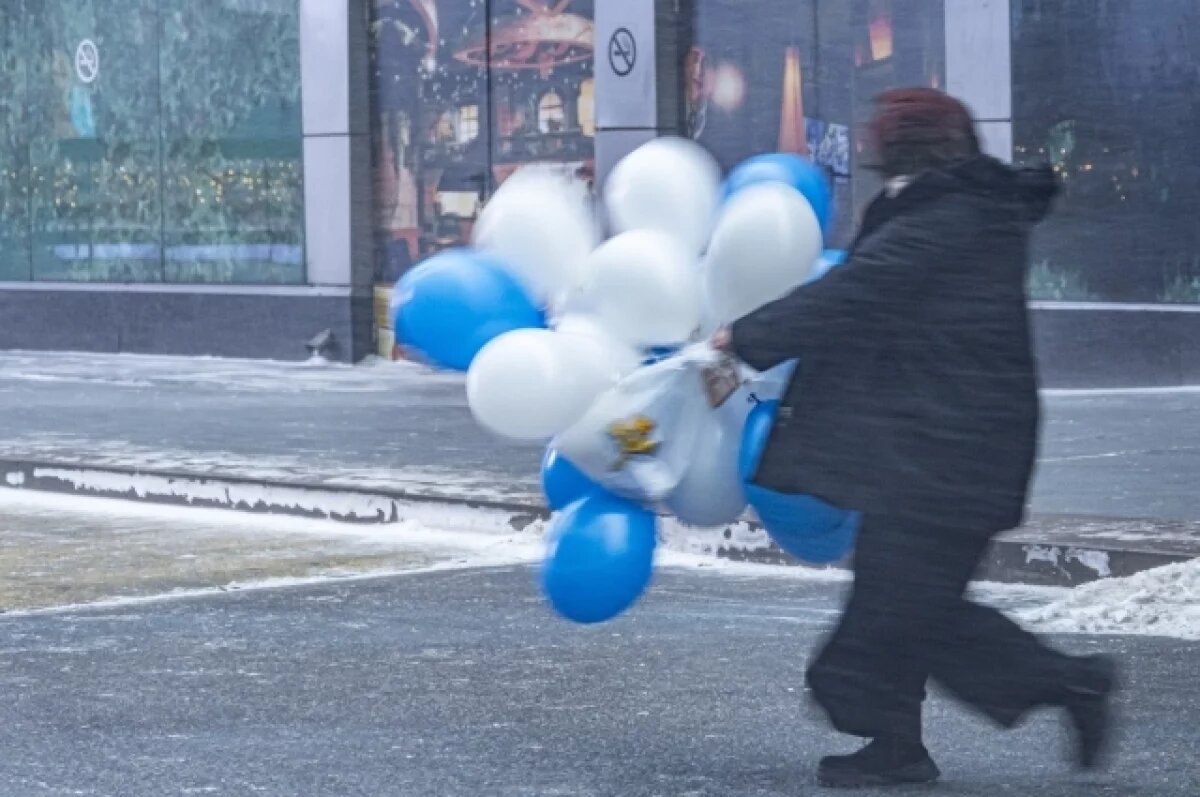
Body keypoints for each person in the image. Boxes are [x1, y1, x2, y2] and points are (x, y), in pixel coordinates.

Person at [722, 88, 1117, 789]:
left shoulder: (951, 216)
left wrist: (742, 340)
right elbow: (868, 306)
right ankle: (897, 746)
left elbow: (856, 292)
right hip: (923, 444)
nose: (869, 142)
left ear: (905, 145)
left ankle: (1072, 682)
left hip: (953, 449)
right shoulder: (936, 208)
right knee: (895, 597)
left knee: (902, 613)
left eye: (880, 132)